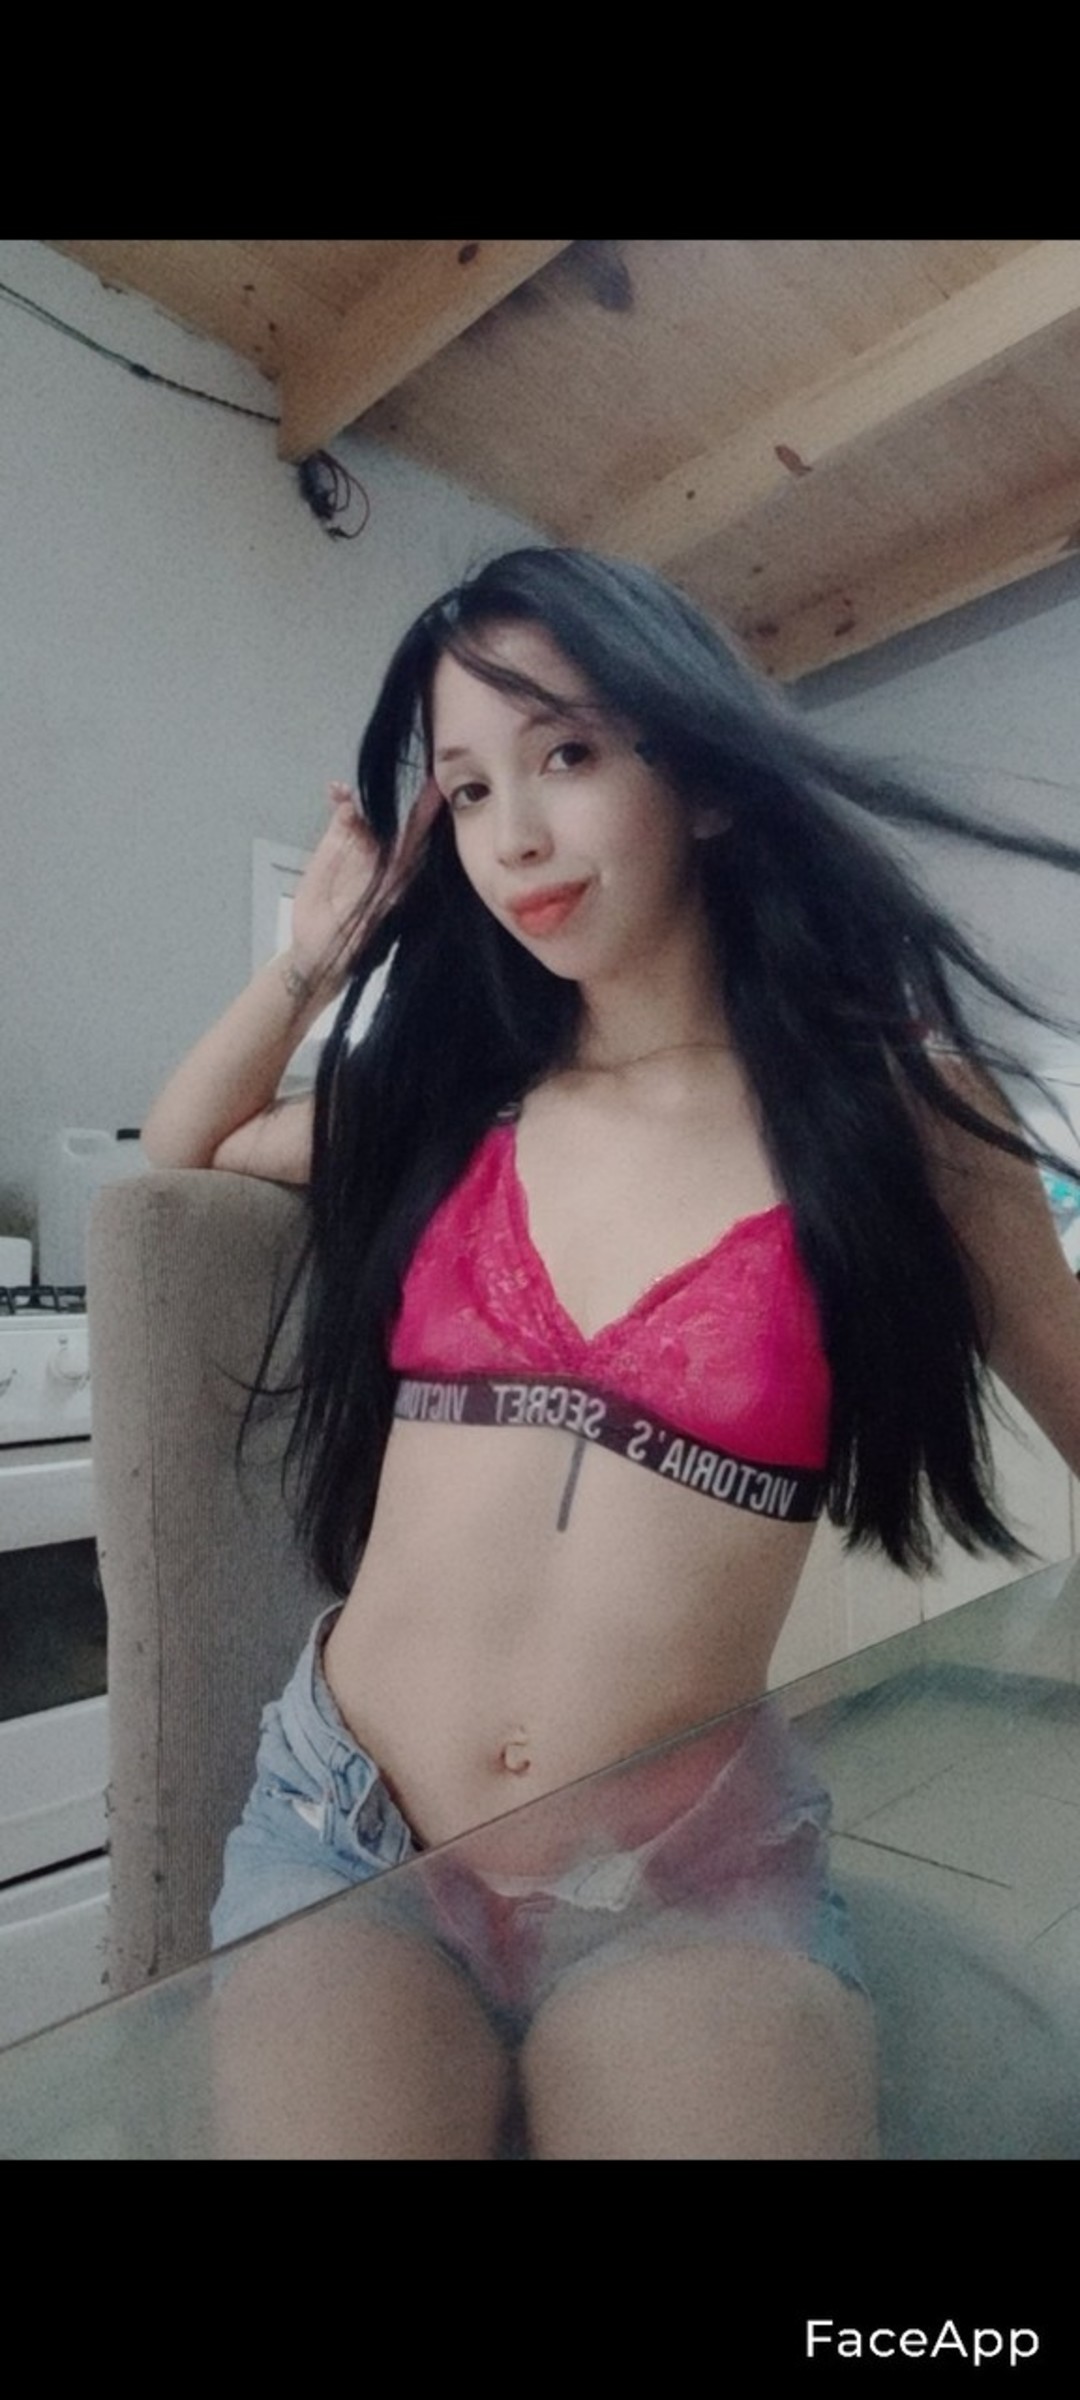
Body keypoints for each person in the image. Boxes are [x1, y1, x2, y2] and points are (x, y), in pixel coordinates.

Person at [142, 547, 1080, 2159]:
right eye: (467, 790)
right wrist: (318, 955)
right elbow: (189, 1143)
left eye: (566, 754)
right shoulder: (455, 1096)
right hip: (346, 1827)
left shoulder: (897, 1112)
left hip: (686, 1877)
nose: (512, 834)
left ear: (701, 780)